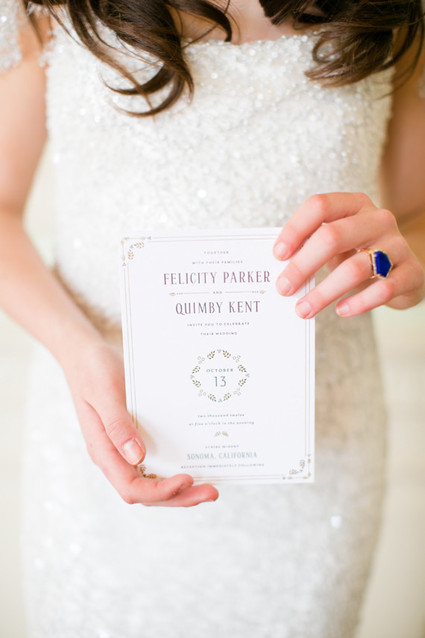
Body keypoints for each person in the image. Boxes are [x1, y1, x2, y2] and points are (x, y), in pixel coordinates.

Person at [1, 0, 424, 636]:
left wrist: (403, 263)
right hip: (106, 425)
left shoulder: (394, 10)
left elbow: (415, 216)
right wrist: (76, 349)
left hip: (314, 460)